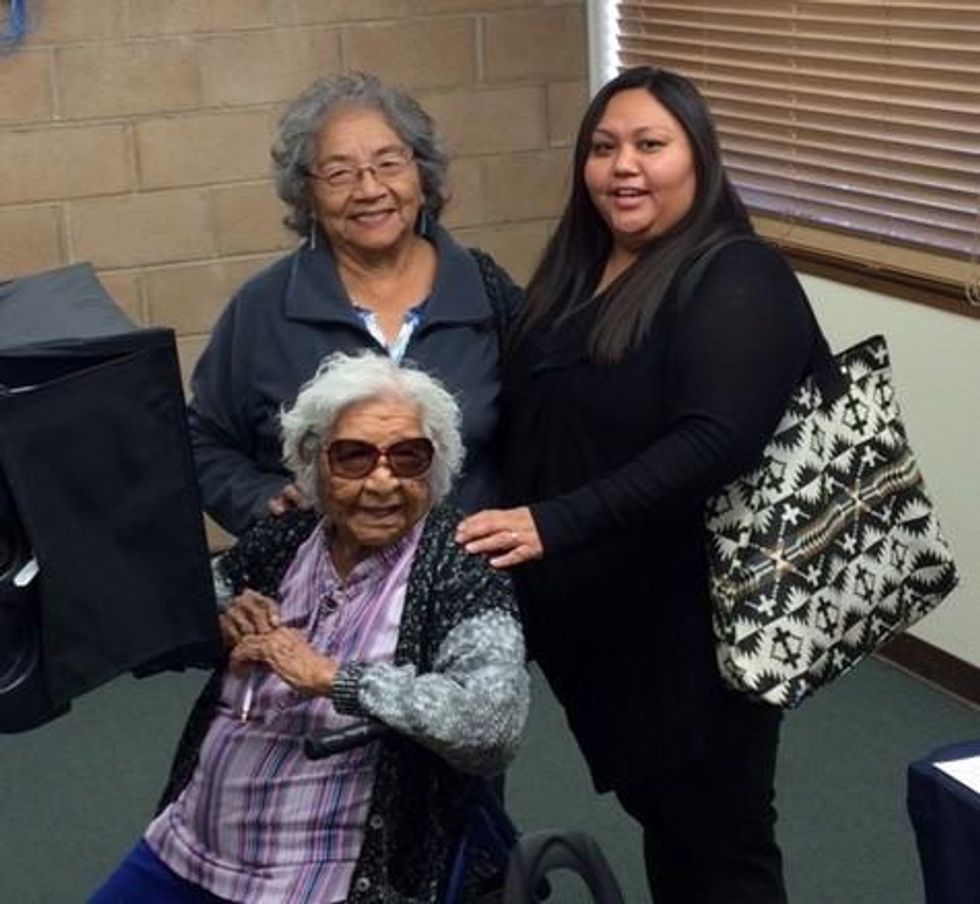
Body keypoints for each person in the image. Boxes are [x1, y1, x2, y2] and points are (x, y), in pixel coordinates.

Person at [457, 67, 817, 903]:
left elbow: (715, 439)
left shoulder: (739, 274)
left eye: (651, 145)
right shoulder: (579, 274)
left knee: (722, 842)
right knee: (671, 827)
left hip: (699, 632)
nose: (624, 166)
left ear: (699, 159)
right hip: (605, 630)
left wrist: (555, 522)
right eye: (604, 146)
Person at [91, 352, 530, 903]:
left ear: (435, 464)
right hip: (192, 839)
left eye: (408, 457)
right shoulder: (290, 534)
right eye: (353, 457)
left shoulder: (459, 563)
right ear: (313, 460)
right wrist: (219, 618)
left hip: (321, 873)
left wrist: (335, 678)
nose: (382, 482)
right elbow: (168, 613)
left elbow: (493, 723)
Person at [189, 72, 521, 536]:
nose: (368, 189)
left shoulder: (486, 294)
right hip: (319, 588)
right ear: (307, 193)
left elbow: (548, 437)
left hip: (469, 582)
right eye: (339, 173)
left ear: (421, 175)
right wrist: (264, 504)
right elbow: (203, 442)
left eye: (389, 164)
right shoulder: (263, 308)